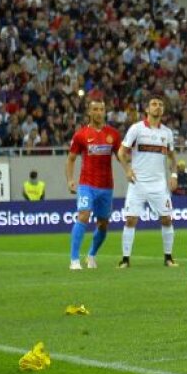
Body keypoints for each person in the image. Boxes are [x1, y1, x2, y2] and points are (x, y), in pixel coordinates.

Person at [116, 96, 178, 267]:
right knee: (130, 220)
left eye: (160, 105)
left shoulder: (167, 133)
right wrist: (128, 170)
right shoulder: (136, 129)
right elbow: (121, 152)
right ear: (147, 109)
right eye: (154, 104)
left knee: (166, 219)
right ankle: (125, 259)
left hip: (159, 185)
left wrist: (174, 176)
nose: (157, 107)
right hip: (138, 183)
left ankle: (168, 258)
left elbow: (172, 157)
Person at [66, 98, 122, 270]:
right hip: (87, 184)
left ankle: (91, 255)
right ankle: (74, 260)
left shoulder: (113, 134)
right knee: (83, 215)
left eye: (102, 109)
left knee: (103, 224)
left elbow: (121, 157)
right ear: (89, 112)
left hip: (106, 186)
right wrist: (70, 180)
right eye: (95, 109)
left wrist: (130, 169)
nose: (99, 112)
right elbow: (71, 159)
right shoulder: (81, 135)